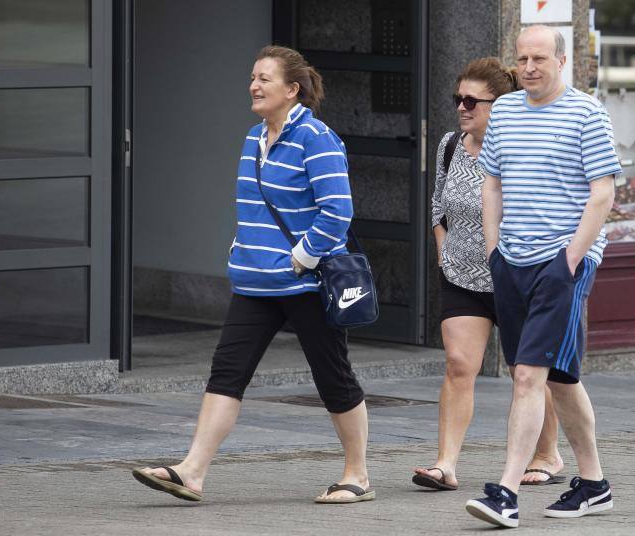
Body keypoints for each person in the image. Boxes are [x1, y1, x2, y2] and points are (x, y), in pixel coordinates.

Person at [132, 45, 374, 505]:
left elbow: (337, 211)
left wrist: (302, 257)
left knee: (333, 377)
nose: (254, 86)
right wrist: (240, 249)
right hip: (254, 282)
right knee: (226, 372)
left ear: (291, 89)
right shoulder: (253, 138)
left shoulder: (316, 138)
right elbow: (251, 206)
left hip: (306, 283)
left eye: (264, 78)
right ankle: (192, 471)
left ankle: (357, 475)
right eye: (252, 77)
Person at [465, 25, 621, 528]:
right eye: (522, 59)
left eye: (539, 58)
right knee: (559, 376)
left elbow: (602, 194)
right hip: (511, 260)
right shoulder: (506, 110)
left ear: (561, 60)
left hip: (563, 262)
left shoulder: (587, 113)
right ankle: (594, 484)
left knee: (528, 374)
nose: (529, 68)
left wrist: (570, 260)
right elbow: (491, 184)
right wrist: (494, 252)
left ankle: (505, 492)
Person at [411, 58, 566, 493]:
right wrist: (444, 251)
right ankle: (445, 464)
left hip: (517, 275)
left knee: (528, 372)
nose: (462, 107)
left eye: (472, 101)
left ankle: (547, 451)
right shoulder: (449, 145)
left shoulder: (522, 147)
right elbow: (438, 205)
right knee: (459, 365)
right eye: (457, 98)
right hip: (461, 275)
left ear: (500, 105)